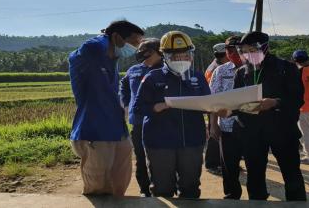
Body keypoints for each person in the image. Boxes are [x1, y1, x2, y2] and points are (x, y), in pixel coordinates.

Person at [68, 20, 144, 196]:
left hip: (117, 130)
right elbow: (87, 49)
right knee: (99, 186)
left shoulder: (112, 60)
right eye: (134, 42)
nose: (136, 48)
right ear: (117, 37)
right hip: (95, 131)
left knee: (119, 183)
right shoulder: (91, 53)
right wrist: (105, 36)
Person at [133, 31, 210, 198]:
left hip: (192, 141)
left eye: (186, 55)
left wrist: (217, 108)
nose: (181, 59)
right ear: (165, 56)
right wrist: (156, 107)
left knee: (191, 188)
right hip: (160, 143)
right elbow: (137, 108)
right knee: (162, 188)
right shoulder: (153, 77)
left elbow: (208, 103)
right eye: (176, 56)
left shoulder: (197, 77)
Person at [233, 31, 307, 201]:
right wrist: (229, 109)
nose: (248, 54)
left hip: (283, 130)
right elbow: (236, 100)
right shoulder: (242, 72)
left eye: (252, 49)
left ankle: (297, 204)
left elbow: (297, 99)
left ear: (265, 47)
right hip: (252, 133)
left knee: (292, 174)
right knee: (255, 176)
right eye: (244, 50)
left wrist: (275, 103)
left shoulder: (286, 68)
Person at [119, 38, 163, 197]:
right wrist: (125, 103)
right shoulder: (133, 70)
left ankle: (160, 187)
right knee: (141, 158)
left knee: (160, 157)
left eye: (146, 50)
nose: (142, 53)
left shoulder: (166, 70)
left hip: (159, 122)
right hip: (138, 122)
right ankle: (144, 190)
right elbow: (123, 85)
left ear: (159, 51)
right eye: (140, 50)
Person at [209, 35, 245, 199]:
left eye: (238, 48)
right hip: (227, 127)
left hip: (252, 127)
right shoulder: (220, 71)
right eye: (230, 49)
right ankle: (231, 197)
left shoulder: (256, 68)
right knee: (229, 167)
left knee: (256, 165)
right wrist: (213, 125)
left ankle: (257, 198)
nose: (234, 52)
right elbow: (213, 100)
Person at [204, 42, 228, 174]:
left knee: (221, 135)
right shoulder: (216, 68)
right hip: (214, 105)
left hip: (218, 104)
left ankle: (221, 162)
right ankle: (212, 163)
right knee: (214, 133)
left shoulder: (215, 65)